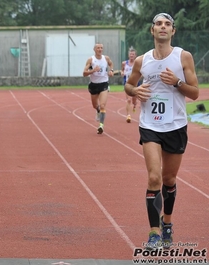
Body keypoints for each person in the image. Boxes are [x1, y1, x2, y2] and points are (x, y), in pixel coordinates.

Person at [124, 13, 199, 250]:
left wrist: (176, 82)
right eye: (158, 24)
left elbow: (195, 93)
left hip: (175, 125)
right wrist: (135, 92)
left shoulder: (183, 56)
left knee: (169, 179)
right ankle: (154, 232)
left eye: (167, 24)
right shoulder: (142, 61)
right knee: (154, 177)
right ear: (152, 30)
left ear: (173, 31)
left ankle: (167, 223)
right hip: (150, 125)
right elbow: (128, 84)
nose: (163, 27)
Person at [83, 43, 115, 134]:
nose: (100, 49)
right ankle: (98, 111)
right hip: (93, 85)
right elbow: (84, 73)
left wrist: (111, 71)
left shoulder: (106, 58)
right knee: (95, 105)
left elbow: (111, 64)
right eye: (98, 48)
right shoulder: (91, 60)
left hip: (104, 84)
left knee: (102, 105)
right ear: (94, 49)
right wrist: (93, 70)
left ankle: (101, 126)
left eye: (101, 48)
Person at [121, 47, 140, 123]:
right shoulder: (124, 63)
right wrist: (122, 72)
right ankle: (128, 115)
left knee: (134, 100)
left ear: (135, 55)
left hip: (136, 84)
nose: (131, 55)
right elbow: (122, 70)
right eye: (130, 54)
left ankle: (135, 105)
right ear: (128, 55)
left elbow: (140, 73)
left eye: (133, 54)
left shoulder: (137, 63)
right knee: (128, 100)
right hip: (127, 83)